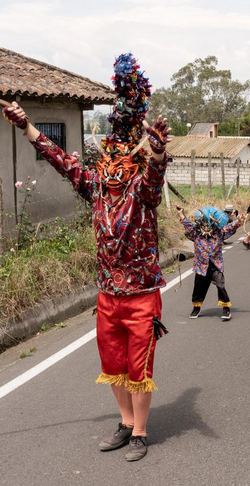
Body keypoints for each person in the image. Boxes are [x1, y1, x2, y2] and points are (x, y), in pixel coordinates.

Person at [2, 53, 171, 461]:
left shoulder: (142, 193)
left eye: (121, 163)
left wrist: (160, 155)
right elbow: (62, 162)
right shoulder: (94, 189)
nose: (111, 170)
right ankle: (125, 422)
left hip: (141, 295)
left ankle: (141, 433)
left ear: (133, 165)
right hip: (107, 296)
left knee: (138, 366)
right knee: (113, 363)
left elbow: (154, 176)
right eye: (106, 161)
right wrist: (27, 127)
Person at [177, 205, 245, 320]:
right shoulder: (196, 234)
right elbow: (188, 225)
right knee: (198, 288)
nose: (206, 229)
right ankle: (196, 308)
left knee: (220, 285)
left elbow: (229, 227)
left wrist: (239, 221)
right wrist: (181, 214)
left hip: (215, 265)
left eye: (209, 226)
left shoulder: (219, 233)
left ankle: (226, 308)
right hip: (201, 266)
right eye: (204, 225)